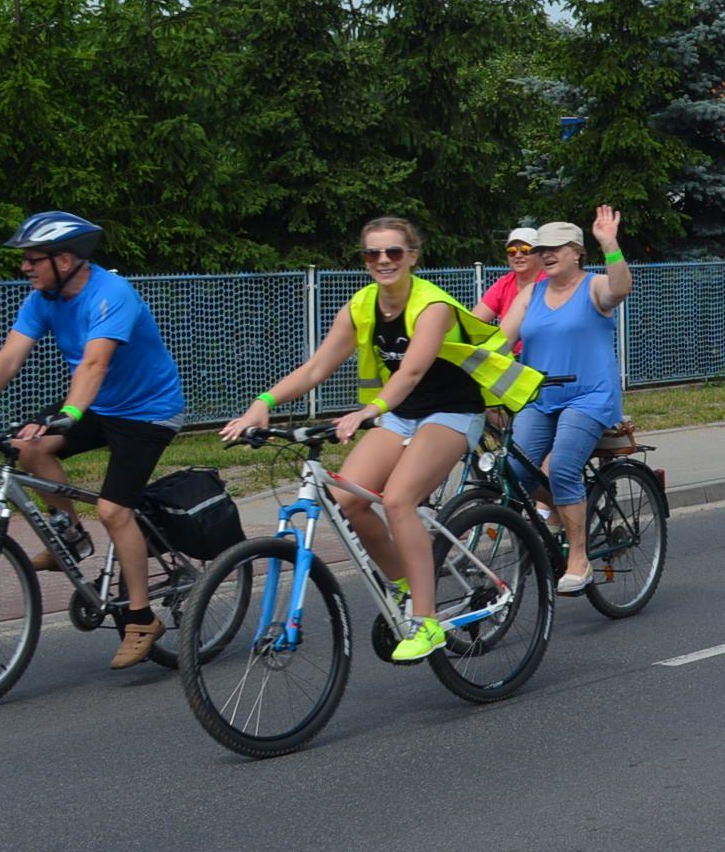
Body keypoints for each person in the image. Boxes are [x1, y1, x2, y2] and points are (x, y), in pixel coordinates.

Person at [225, 216, 541, 663]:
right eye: (372, 253)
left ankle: (427, 622)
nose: (383, 261)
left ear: (412, 256)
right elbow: (317, 368)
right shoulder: (362, 305)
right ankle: (407, 584)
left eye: (393, 252)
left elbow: (411, 371)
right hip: (402, 415)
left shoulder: (431, 305)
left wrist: (370, 411)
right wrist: (263, 403)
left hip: (451, 412)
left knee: (397, 500)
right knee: (345, 497)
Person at [0, 212, 186, 670]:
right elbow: (8, 359)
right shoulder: (43, 298)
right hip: (98, 405)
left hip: (149, 411)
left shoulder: (112, 295)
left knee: (115, 510)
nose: (25, 268)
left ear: (67, 259)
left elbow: (94, 364)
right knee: (27, 447)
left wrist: (69, 414)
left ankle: (140, 617)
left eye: (33, 259)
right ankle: (70, 536)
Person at [497, 209, 631, 596]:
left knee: (560, 469)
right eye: (543, 249)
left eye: (556, 248)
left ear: (576, 252)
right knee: (513, 471)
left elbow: (620, 289)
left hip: (589, 396)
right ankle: (559, 508)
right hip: (539, 398)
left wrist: (609, 243)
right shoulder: (531, 293)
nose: (547, 254)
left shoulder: (594, 287)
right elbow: (500, 343)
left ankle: (579, 558)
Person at [474, 225, 544, 324]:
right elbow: (475, 321)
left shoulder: (551, 283)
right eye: (512, 251)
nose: (518, 256)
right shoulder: (503, 284)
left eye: (525, 250)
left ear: (540, 254)